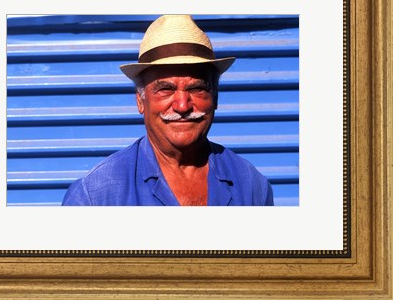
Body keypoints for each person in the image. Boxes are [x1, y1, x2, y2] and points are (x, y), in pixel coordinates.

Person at [62, 15, 273, 206]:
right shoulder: (96, 196)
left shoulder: (251, 185)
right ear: (140, 101)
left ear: (215, 97)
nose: (182, 106)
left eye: (197, 88)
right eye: (165, 89)